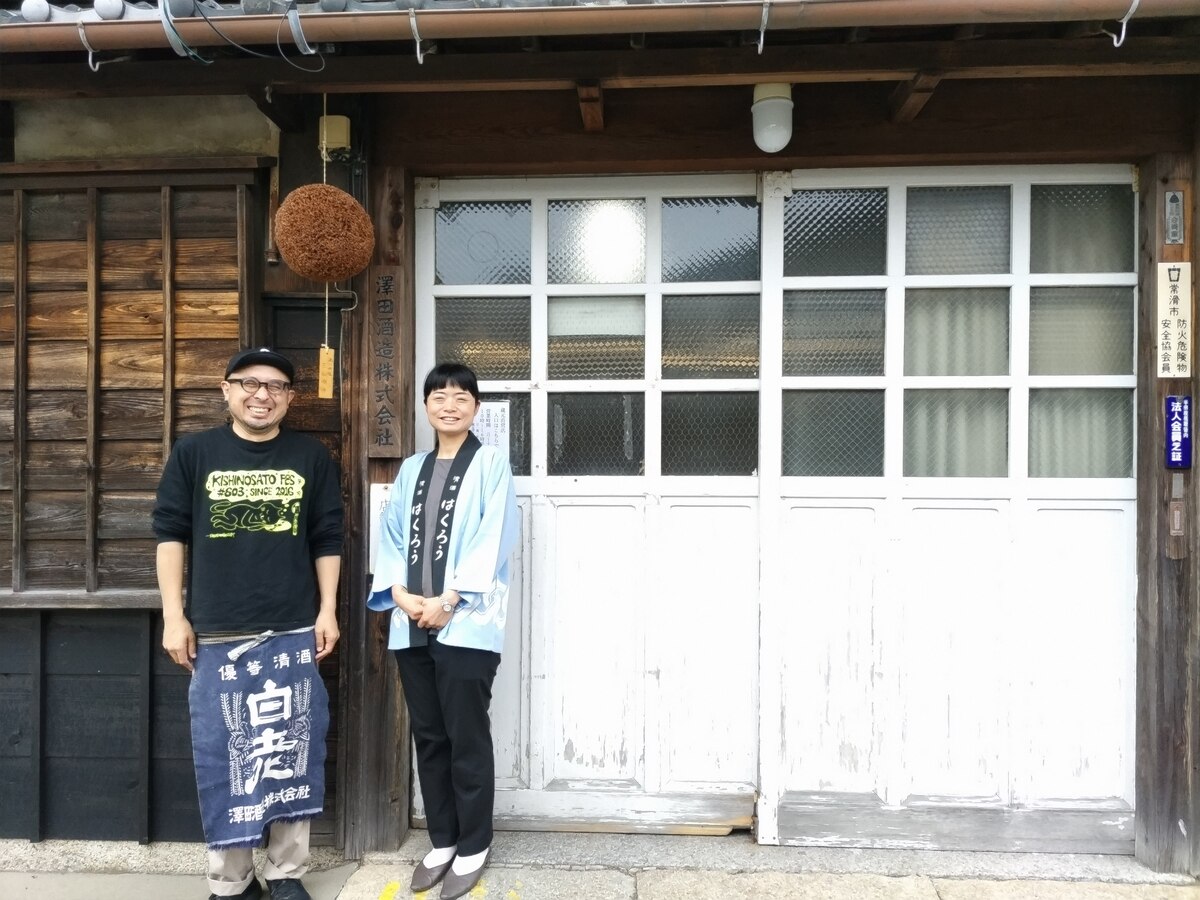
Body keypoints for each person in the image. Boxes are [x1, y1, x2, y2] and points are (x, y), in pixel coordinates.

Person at [154, 347, 344, 900]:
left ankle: (286, 874)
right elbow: (170, 535)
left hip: (290, 629)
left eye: (277, 387)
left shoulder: (310, 456)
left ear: (289, 398)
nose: (262, 395)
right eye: (250, 384)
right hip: (217, 633)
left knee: (290, 749)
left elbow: (327, 538)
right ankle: (230, 881)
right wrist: (174, 615)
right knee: (226, 754)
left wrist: (326, 608)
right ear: (226, 389)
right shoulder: (195, 453)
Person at [368, 362, 519, 900]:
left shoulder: (492, 464)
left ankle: (474, 842)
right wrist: (404, 598)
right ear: (426, 407)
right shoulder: (411, 469)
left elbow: (494, 535)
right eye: (439, 396)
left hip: (467, 624)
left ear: (476, 407)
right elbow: (389, 538)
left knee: (465, 735)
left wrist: (449, 600)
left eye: (461, 396)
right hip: (412, 623)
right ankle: (443, 838)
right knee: (429, 734)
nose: (449, 404)